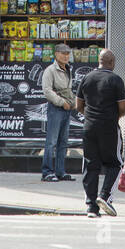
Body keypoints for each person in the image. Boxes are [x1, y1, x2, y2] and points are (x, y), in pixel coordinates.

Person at [75, 49, 125, 218]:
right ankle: (104, 196)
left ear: (99, 61)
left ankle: (91, 207)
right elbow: (123, 107)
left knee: (90, 165)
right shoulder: (115, 80)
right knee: (115, 163)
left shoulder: (87, 77)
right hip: (109, 127)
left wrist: (91, 117)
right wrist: (113, 117)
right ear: (112, 63)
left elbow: (78, 105)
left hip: (89, 127)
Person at [41, 44, 74, 182]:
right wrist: (62, 102)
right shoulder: (50, 70)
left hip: (66, 109)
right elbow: (47, 91)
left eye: (68, 53)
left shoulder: (68, 69)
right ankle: (47, 172)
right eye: (63, 53)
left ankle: (60, 171)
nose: (66, 56)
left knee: (63, 142)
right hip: (56, 108)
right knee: (51, 142)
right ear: (56, 54)